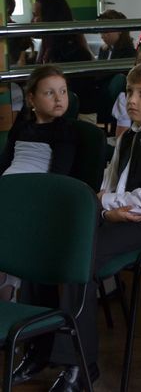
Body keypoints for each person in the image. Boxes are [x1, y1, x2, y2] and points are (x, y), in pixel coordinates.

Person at [11, 61, 141, 391]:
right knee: (48, 247)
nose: (131, 100)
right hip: (115, 218)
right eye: (129, 92)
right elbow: (109, 185)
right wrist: (107, 208)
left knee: (77, 260)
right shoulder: (126, 138)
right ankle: (37, 347)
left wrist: (104, 202)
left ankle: (80, 365)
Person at [0, 65, 78, 303]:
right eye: (49, 93)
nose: (59, 99)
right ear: (31, 99)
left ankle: (9, 284)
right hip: (9, 186)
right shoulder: (22, 125)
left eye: (63, 91)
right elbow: (5, 160)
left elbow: (58, 176)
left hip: (35, 193)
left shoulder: (64, 131)